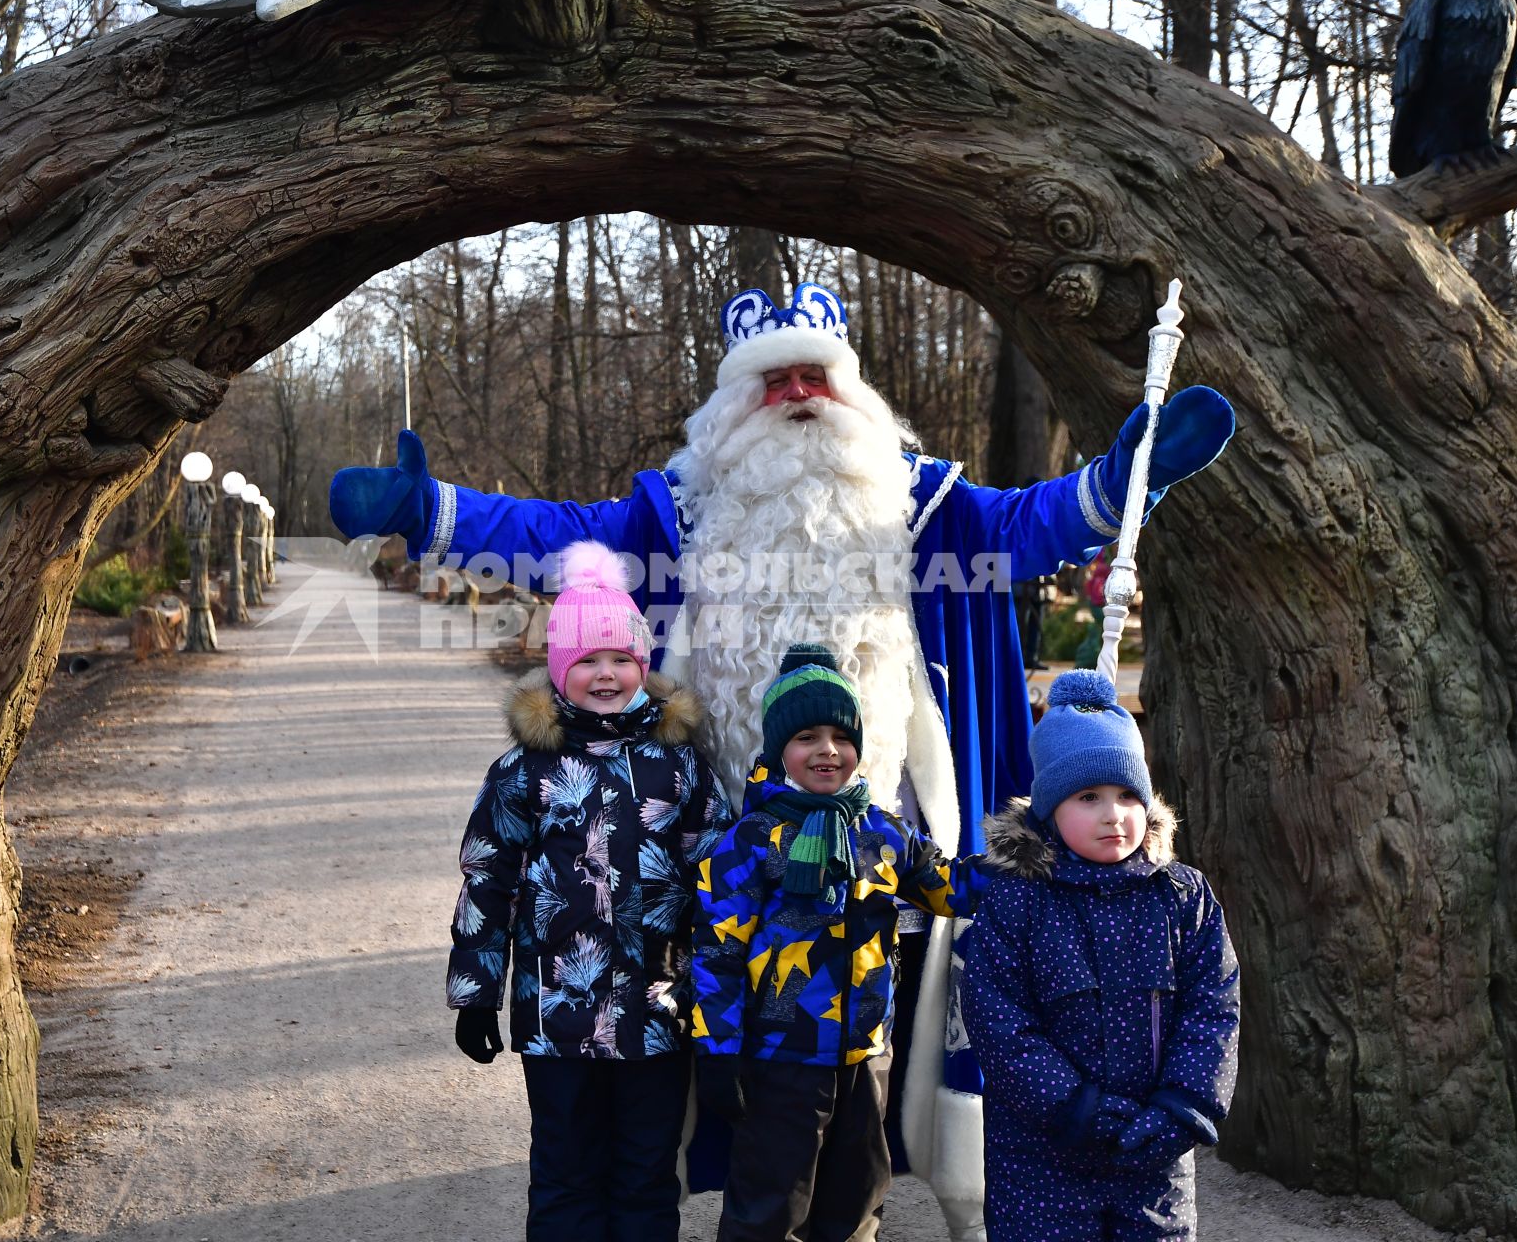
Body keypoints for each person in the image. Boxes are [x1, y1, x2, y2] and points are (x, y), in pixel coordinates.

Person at [337, 279, 1235, 1198]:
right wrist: (429, 512)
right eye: (773, 381)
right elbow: (558, 538)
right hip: (736, 852)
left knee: (875, 1072)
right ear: (733, 404)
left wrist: (1130, 477)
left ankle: (859, 1208)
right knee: (748, 1075)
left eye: (816, 376)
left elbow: (1031, 525)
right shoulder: (680, 512)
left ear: (852, 395)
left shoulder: (921, 505)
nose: (798, 395)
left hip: (888, 847)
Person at [445, 542, 732, 1242]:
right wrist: (476, 994)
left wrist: (720, 992)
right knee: (566, 1176)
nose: (605, 674)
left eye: (620, 660)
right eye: (587, 661)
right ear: (559, 669)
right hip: (557, 1019)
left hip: (657, 1015)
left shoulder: (681, 766)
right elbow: (489, 881)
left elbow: (720, 879)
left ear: (642, 666)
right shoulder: (524, 770)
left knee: (644, 1176)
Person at [690, 644, 978, 1241]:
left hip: (866, 1053)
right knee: (772, 1200)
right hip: (780, 1055)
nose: (827, 750)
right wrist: (716, 1050)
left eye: (840, 737)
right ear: (778, 750)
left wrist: (1027, 856)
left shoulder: (882, 831)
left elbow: (951, 888)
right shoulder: (750, 841)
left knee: (858, 1197)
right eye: (807, 737)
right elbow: (716, 951)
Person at [963, 670, 1240, 1241]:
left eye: (1127, 795)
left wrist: (1182, 1107)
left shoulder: (1183, 896)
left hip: (1153, 1153)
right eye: (1088, 797)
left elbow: (1214, 1008)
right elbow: (999, 1017)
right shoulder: (1019, 902)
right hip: (1042, 1159)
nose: (1113, 813)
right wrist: (1071, 1106)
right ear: (1047, 811)